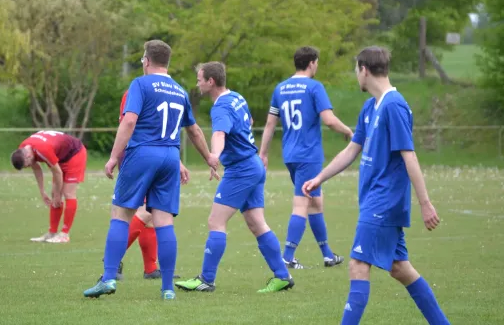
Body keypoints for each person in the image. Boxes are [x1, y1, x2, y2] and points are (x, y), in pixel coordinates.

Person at [302, 46, 450, 324]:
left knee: (358, 265)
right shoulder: (371, 107)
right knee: (400, 269)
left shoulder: (394, 105)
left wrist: (425, 203)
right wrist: (320, 177)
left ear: (364, 69)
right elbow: (351, 150)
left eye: (356, 70)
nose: (356, 75)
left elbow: (410, 156)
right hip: (375, 201)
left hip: (383, 202)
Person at [83, 40, 216, 301]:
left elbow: (130, 120)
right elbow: (194, 130)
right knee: (163, 221)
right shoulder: (179, 90)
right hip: (170, 156)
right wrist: (210, 157)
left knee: (121, 214)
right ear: (167, 62)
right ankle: (167, 288)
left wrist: (112, 157)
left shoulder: (140, 84)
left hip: (142, 153)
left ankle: (109, 278)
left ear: (146, 60)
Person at [175, 61, 294, 294]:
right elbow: (248, 122)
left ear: (211, 81)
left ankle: (206, 280)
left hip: (241, 169)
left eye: (200, 79)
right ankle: (282, 276)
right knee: (256, 223)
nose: (197, 83)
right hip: (253, 164)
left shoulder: (220, 107)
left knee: (215, 222)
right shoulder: (237, 97)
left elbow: (219, 133)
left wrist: (214, 156)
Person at [259, 46, 352, 269]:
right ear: (311, 62)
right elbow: (328, 120)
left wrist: (263, 153)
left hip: (290, 155)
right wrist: (349, 132)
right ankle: (287, 257)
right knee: (302, 204)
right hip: (308, 155)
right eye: (317, 62)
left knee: (315, 203)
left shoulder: (280, 88)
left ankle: (327, 255)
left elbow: (271, 123)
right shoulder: (314, 87)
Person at [115, 89, 184, 281]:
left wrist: (176, 161)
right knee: (146, 211)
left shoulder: (159, 90)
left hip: (154, 157)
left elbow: (161, 132)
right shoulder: (137, 91)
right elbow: (129, 125)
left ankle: (151, 269)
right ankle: (112, 259)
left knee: (153, 215)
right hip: (139, 157)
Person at [11, 130, 87, 244]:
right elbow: (36, 168)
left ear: (27, 156)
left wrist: (57, 194)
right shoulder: (23, 148)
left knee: (68, 193)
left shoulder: (43, 150)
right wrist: (42, 191)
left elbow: (58, 173)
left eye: (27, 165)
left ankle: (64, 235)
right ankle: (52, 233)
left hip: (75, 154)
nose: (29, 166)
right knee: (55, 194)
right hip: (61, 157)